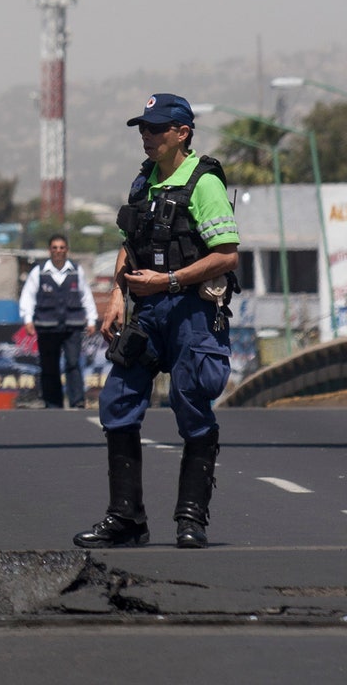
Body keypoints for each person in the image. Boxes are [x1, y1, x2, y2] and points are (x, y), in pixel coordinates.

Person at [75, 94, 239, 551]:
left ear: (181, 133)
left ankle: (191, 520)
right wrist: (115, 297)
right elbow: (130, 243)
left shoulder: (204, 183)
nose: (146, 136)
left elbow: (226, 256)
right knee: (118, 402)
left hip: (191, 313)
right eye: (142, 129)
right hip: (146, 311)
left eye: (156, 128)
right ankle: (126, 519)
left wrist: (169, 280)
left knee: (192, 406)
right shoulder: (143, 181)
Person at [18, 234, 99, 409]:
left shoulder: (76, 271)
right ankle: (52, 402)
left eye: (61, 248)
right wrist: (28, 319)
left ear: (66, 250)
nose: (58, 251)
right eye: (55, 248)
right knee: (49, 365)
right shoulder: (39, 272)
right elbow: (28, 297)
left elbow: (86, 296)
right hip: (47, 327)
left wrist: (92, 319)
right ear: (50, 250)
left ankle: (77, 401)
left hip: (72, 326)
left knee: (73, 363)